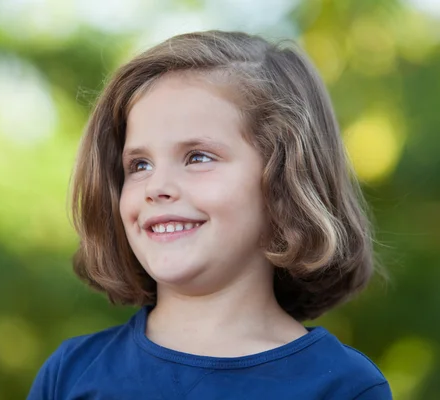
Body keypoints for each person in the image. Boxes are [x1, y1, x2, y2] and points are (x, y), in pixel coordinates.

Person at [27, 30, 392, 399]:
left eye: (198, 157)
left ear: (283, 183)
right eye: (139, 165)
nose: (157, 186)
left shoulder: (345, 387)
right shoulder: (71, 372)